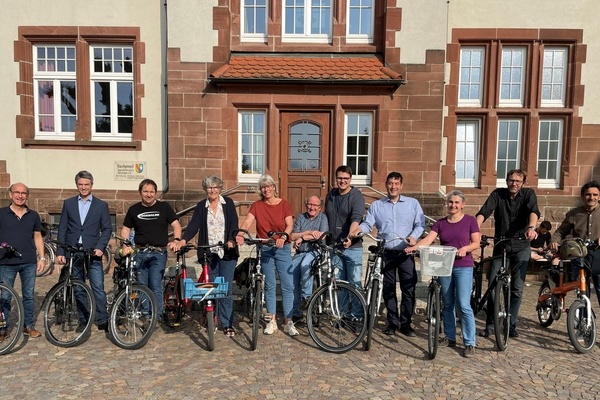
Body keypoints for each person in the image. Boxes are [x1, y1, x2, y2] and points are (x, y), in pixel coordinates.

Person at [406, 190, 480, 357]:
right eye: (450, 202)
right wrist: (415, 247)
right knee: (447, 303)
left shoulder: (470, 221)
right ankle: (449, 336)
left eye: (456, 203)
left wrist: (465, 249)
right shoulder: (440, 223)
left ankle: (469, 342)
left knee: (463, 304)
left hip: (463, 266)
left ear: (462, 205)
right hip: (444, 266)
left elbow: (476, 242)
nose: (453, 205)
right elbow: (428, 239)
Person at [350, 171, 425, 337]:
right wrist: (359, 230)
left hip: (405, 252)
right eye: (390, 183)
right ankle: (392, 322)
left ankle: (406, 323)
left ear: (401, 186)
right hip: (387, 253)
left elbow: (421, 224)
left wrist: (413, 237)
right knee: (388, 289)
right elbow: (368, 224)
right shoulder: (377, 206)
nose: (393, 187)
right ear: (386, 185)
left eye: (396, 184)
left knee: (408, 289)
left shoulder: (412, 204)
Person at [476, 169, 539, 338]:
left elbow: (533, 212)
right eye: (511, 180)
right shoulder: (498, 194)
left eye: (518, 181)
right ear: (506, 181)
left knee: (517, 288)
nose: (514, 184)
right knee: (492, 285)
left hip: (521, 246)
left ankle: (511, 325)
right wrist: (474, 229)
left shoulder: (528, 194)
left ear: (523, 183)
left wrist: (531, 227)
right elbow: (484, 212)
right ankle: (490, 324)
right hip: (501, 245)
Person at [176, 176, 239, 337]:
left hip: (227, 252)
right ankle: (213, 319)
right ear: (205, 189)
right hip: (208, 253)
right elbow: (193, 226)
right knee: (211, 288)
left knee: (225, 288)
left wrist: (232, 239)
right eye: (209, 188)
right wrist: (183, 240)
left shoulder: (228, 204)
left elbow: (233, 224)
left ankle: (227, 323)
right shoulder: (201, 207)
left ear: (220, 188)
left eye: (215, 187)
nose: (212, 190)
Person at [235, 175, 295, 336]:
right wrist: (241, 234)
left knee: (288, 285)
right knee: (269, 284)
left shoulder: (284, 204)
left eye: (269, 186)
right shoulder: (257, 205)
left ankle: (289, 320)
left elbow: (289, 224)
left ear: (274, 187)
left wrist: (283, 237)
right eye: (263, 187)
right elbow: (247, 222)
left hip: (282, 247)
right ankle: (272, 320)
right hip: (266, 248)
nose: (266, 189)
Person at [57, 170, 112, 331]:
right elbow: (63, 229)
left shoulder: (101, 205)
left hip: (93, 252)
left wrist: (100, 247)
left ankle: (103, 319)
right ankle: (84, 319)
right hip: (73, 252)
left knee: (97, 287)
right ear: (77, 185)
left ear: (92, 185)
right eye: (80, 184)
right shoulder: (68, 203)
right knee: (78, 288)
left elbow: (107, 229)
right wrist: (60, 251)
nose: (83, 187)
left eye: (86, 184)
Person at [120, 179, 182, 319]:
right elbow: (125, 229)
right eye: (145, 191)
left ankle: (156, 315)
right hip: (140, 252)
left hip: (158, 253)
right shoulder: (134, 209)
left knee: (155, 284)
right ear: (140, 192)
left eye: (151, 192)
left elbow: (176, 226)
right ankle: (146, 314)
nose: (149, 194)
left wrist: (177, 240)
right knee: (142, 285)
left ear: (156, 193)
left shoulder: (164, 207)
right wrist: (126, 243)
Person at [0, 183, 45, 339]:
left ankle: (28, 326)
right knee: (5, 296)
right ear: (10, 194)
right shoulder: (1, 213)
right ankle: (2, 328)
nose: (20, 196)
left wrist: (42, 258)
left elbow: (38, 236)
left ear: (27, 195)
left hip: (29, 261)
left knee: (28, 295)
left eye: (23, 193)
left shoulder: (33, 215)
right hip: (6, 262)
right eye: (17, 192)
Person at [549, 181, 600, 305]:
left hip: (598, 253)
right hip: (579, 254)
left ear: (599, 196)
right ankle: (582, 321)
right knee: (581, 289)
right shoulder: (574, 214)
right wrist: (554, 241)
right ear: (583, 196)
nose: (591, 197)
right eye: (588, 194)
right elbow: (560, 232)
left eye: (595, 195)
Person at [325, 165, 365, 316]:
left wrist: (350, 236)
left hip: (352, 247)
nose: (342, 181)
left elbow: (356, 218)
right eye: (340, 178)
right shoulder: (331, 195)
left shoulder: (357, 196)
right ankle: (342, 315)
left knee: (354, 282)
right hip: (335, 247)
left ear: (350, 179)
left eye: (346, 179)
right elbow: (326, 217)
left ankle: (356, 316)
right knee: (339, 283)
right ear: (336, 179)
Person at [290, 195, 329, 314]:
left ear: (319, 208)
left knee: (305, 265)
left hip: (315, 251)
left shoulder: (323, 218)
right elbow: (292, 236)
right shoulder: (301, 217)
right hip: (300, 252)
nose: (312, 207)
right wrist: (308, 233)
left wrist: (302, 237)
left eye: (315, 205)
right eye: (310, 204)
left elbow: (322, 235)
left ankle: (306, 298)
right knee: (291, 276)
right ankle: (296, 311)